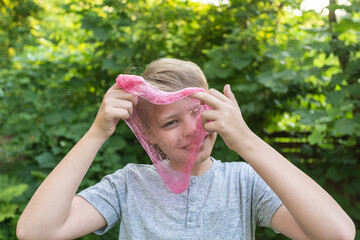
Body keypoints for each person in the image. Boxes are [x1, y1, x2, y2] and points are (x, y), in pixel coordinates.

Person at [17, 58, 355, 240]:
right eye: (170, 122)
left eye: (197, 111)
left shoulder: (244, 183)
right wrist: (95, 134)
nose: (193, 129)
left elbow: (337, 234)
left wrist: (247, 141)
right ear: (148, 136)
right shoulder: (129, 185)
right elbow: (36, 232)